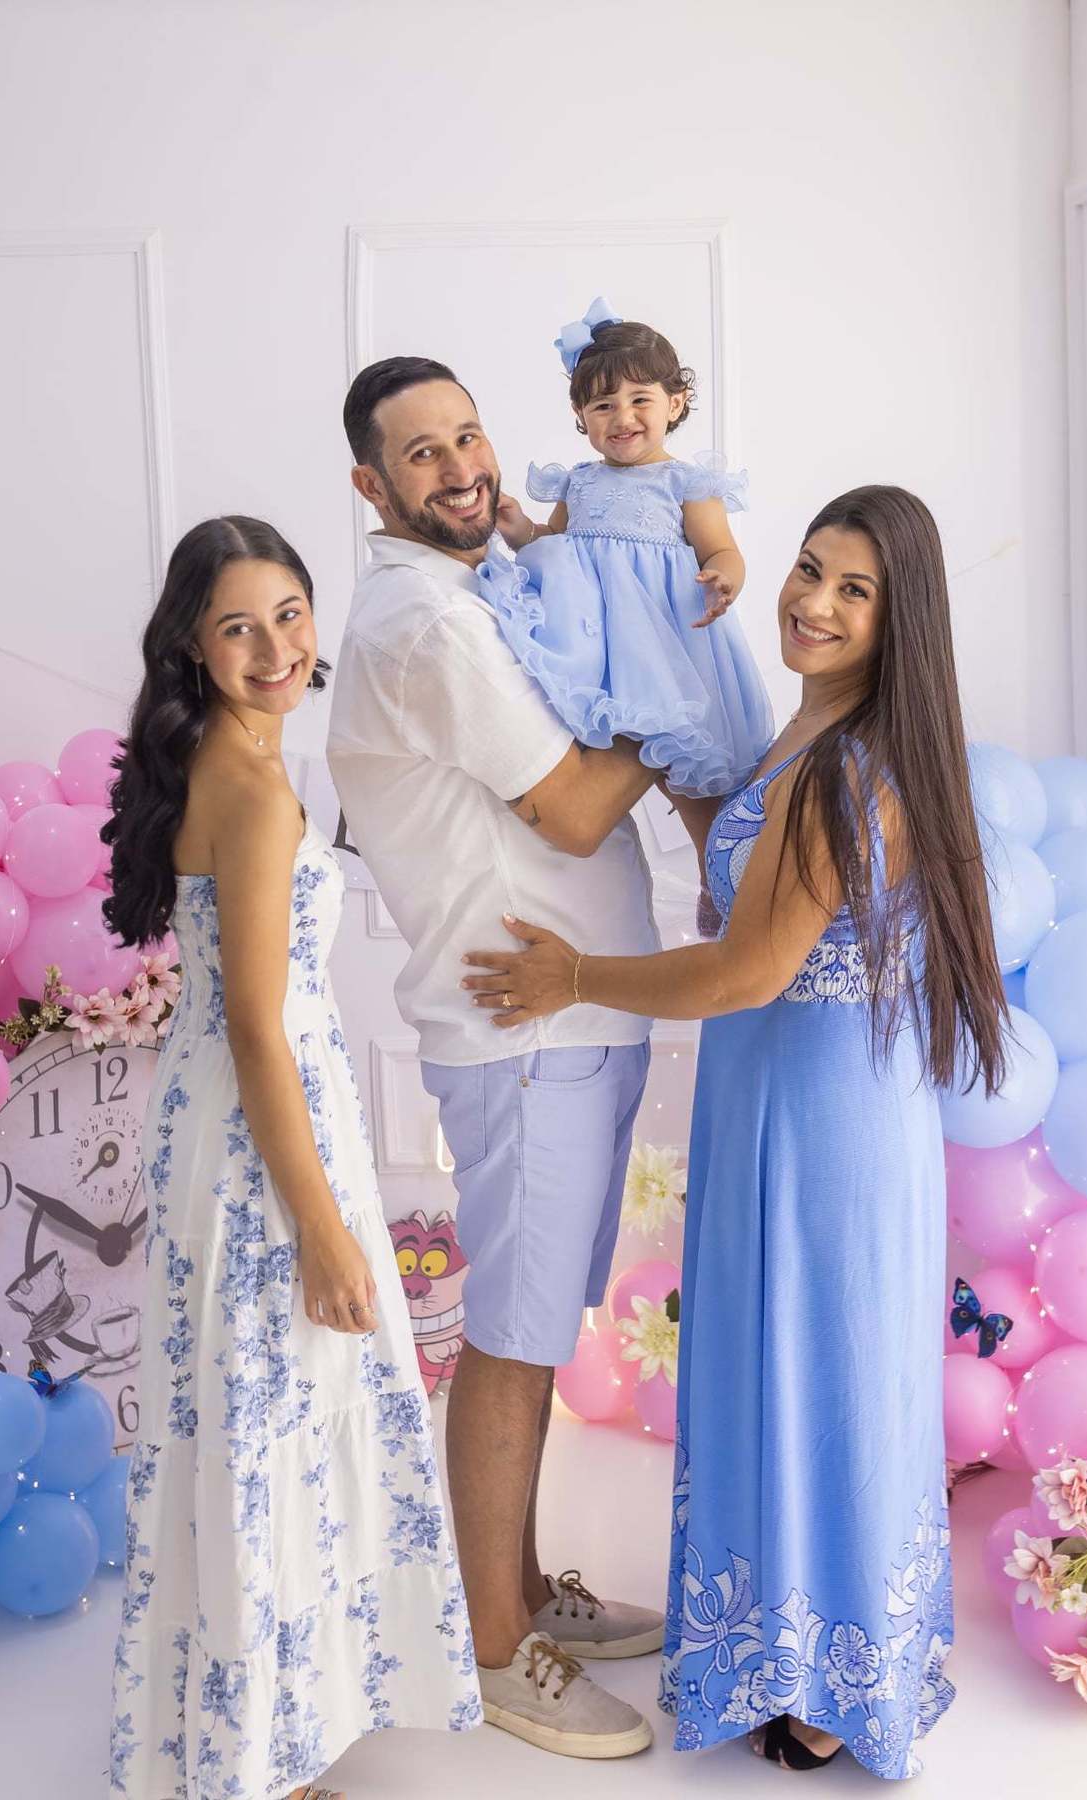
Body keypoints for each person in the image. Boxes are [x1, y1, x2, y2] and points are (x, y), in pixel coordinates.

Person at [462, 486, 1008, 1779]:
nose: (812, 602)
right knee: (789, 1366)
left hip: (821, 1121)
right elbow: (744, 879)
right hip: (784, 1103)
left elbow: (748, 969)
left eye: (852, 591)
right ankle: (783, 1643)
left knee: (820, 1374)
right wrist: (657, 745)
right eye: (810, 569)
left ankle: (828, 1671)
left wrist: (574, 979)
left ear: (898, 623)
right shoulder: (803, 741)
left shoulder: (846, 769)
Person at [104, 516, 479, 1800]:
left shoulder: (238, 760)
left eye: (287, 615)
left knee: (254, 1415)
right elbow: (261, 1030)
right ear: (194, 649)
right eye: (235, 626)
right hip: (263, 1129)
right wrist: (322, 1225)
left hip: (228, 1114)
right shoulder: (253, 790)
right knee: (269, 1414)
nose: (271, 647)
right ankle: (260, 1758)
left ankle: (253, 1729)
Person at [327, 358, 665, 1761]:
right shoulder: (424, 627)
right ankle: (492, 1648)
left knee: (536, 1337)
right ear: (371, 486)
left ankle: (521, 1590)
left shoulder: (468, 590)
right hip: (529, 1039)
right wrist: (674, 690)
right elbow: (580, 808)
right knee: (513, 1356)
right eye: (422, 455)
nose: (463, 467)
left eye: (467, 435)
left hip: (576, 1025)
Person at [479, 297, 773, 920]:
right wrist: (517, 528)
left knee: (688, 769)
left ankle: (713, 874)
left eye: (641, 399)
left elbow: (722, 548)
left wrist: (724, 576)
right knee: (599, 757)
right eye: (603, 405)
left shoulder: (685, 483)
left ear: (676, 402)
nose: (623, 417)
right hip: (594, 645)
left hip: (666, 642)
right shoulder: (579, 482)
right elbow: (553, 551)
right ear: (581, 417)